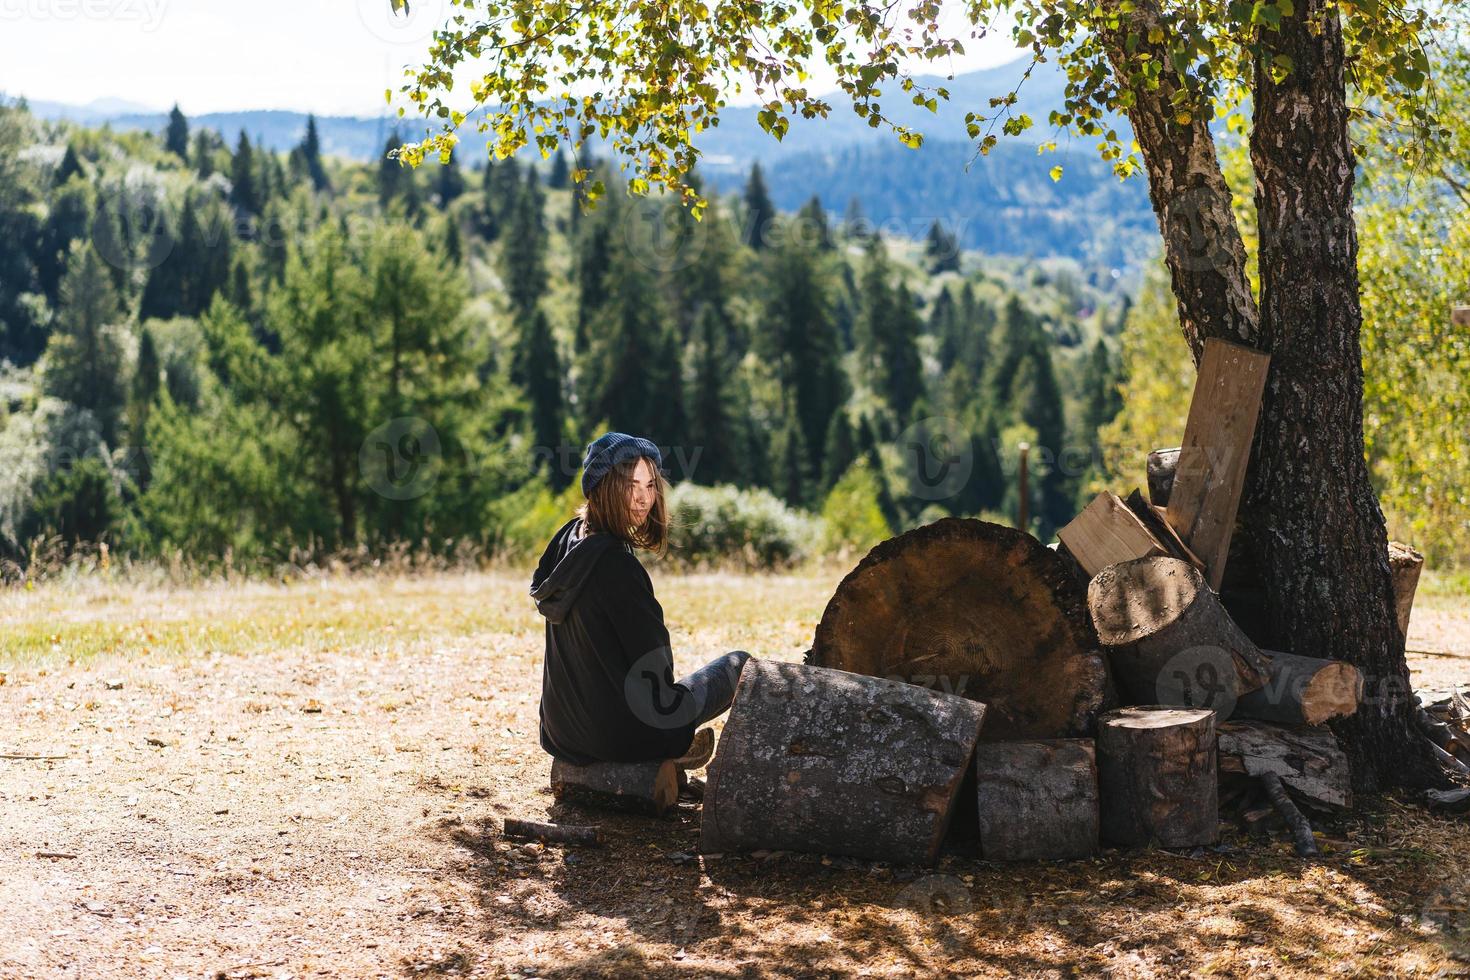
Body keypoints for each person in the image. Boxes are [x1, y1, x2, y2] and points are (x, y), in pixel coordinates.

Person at [529, 431, 751, 772]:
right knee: (740, 664)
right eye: (631, 484)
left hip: (561, 732)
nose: (642, 498)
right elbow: (654, 667)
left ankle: (671, 750)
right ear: (601, 486)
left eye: (650, 486)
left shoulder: (568, 541)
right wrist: (671, 728)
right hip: (620, 737)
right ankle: (697, 758)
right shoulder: (617, 567)